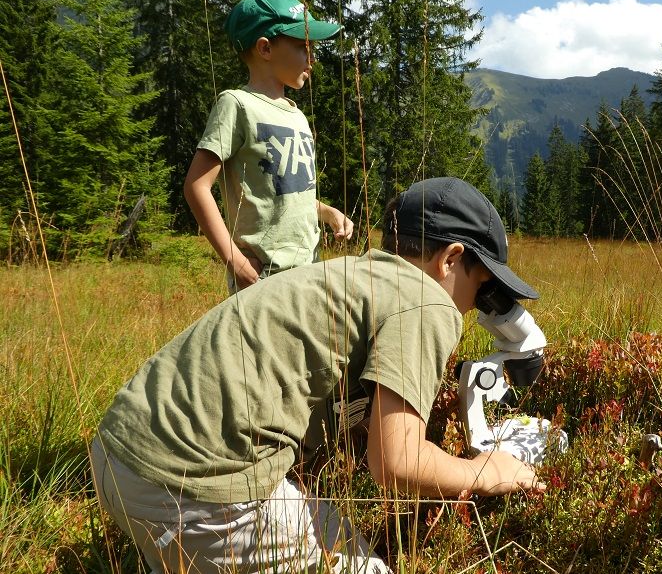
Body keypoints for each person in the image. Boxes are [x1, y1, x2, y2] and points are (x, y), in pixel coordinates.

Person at [91, 177, 543, 573]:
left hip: (118, 454)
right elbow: (395, 463)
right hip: (193, 487)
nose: (473, 307)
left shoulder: (350, 277)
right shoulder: (427, 300)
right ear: (450, 259)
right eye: (481, 287)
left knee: (323, 523)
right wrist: (485, 471)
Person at [184, 0, 354, 293]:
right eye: (303, 47)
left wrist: (327, 212)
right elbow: (196, 186)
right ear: (265, 48)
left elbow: (284, 193)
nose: (311, 58)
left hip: (309, 275)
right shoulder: (236, 104)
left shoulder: (297, 116)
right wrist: (235, 261)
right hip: (262, 282)